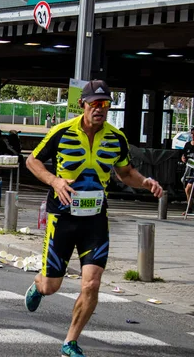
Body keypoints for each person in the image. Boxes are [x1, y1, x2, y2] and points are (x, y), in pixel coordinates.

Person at [24, 79, 163, 357]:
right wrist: (55, 181)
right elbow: (32, 161)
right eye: (94, 104)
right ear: (83, 105)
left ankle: (70, 341)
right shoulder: (61, 132)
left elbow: (125, 173)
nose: (100, 109)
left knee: (92, 282)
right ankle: (39, 285)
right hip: (62, 218)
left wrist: (146, 181)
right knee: (52, 286)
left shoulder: (116, 138)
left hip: (96, 220)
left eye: (105, 104)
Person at [180, 127, 194, 212]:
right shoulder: (187, 145)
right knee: (187, 189)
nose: (193, 135)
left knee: (190, 187)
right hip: (189, 169)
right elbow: (183, 155)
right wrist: (183, 158)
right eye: (192, 133)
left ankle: (189, 207)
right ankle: (189, 206)